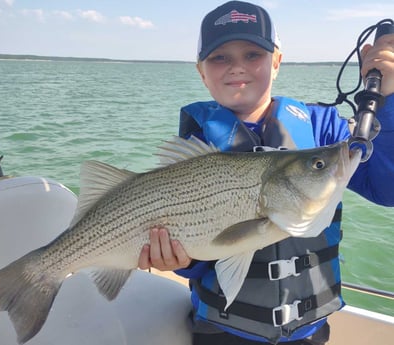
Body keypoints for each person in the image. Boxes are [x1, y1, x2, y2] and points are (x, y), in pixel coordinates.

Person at [139, 1, 394, 344]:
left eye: (253, 54)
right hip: (221, 331)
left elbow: (386, 187)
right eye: (220, 58)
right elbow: (200, 259)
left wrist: (389, 100)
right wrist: (178, 261)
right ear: (201, 71)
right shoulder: (198, 145)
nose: (237, 68)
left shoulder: (323, 129)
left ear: (276, 62)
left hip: (310, 330)